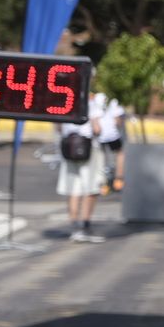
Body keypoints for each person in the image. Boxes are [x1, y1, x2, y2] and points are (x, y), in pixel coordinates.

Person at [57, 93, 106, 243]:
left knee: (73, 190)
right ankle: (85, 225)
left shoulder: (63, 99)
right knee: (91, 189)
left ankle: (74, 226)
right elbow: (97, 129)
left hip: (69, 149)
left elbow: (58, 127)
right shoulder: (90, 103)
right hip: (88, 149)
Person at [94, 92, 127, 195]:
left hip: (101, 137)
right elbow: (118, 122)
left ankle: (103, 183)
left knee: (102, 157)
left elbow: (95, 123)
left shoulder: (96, 99)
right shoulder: (114, 101)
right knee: (120, 154)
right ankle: (119, 179)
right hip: (113, 135)